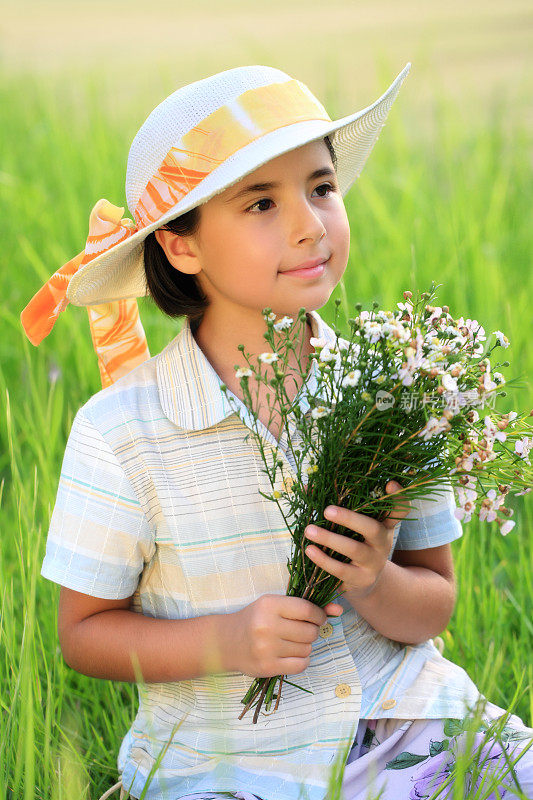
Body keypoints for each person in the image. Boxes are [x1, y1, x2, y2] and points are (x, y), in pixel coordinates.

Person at [21, 64, 533, 800]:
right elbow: (85, 634)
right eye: (260, 202)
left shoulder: (394, 389)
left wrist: (373, 578)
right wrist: (226, 642)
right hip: (228, 765)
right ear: (180, 246)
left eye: (321, 187)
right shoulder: (121, 429)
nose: (308, 223)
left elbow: (434, 601)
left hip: (409, 723)